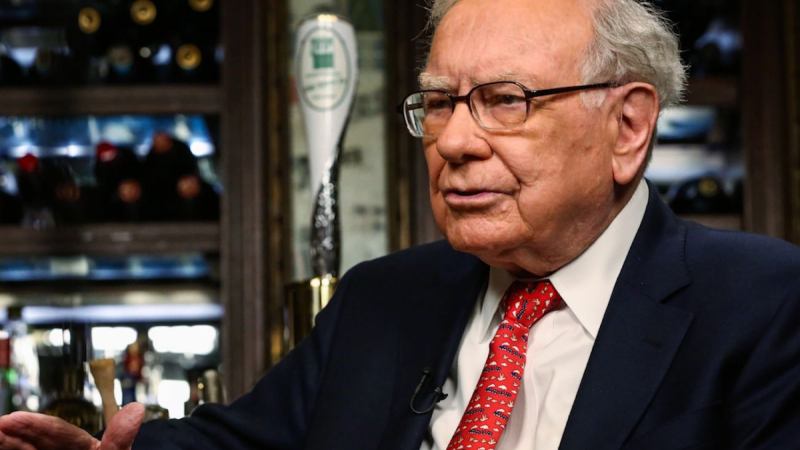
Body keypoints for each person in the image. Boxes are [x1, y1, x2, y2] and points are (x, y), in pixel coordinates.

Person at [2, 0, 799, 448]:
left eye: (505, 100)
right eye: (441, 102)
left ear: (627, 127)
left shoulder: (763, 305)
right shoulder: (382, 300)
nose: (454, 141)